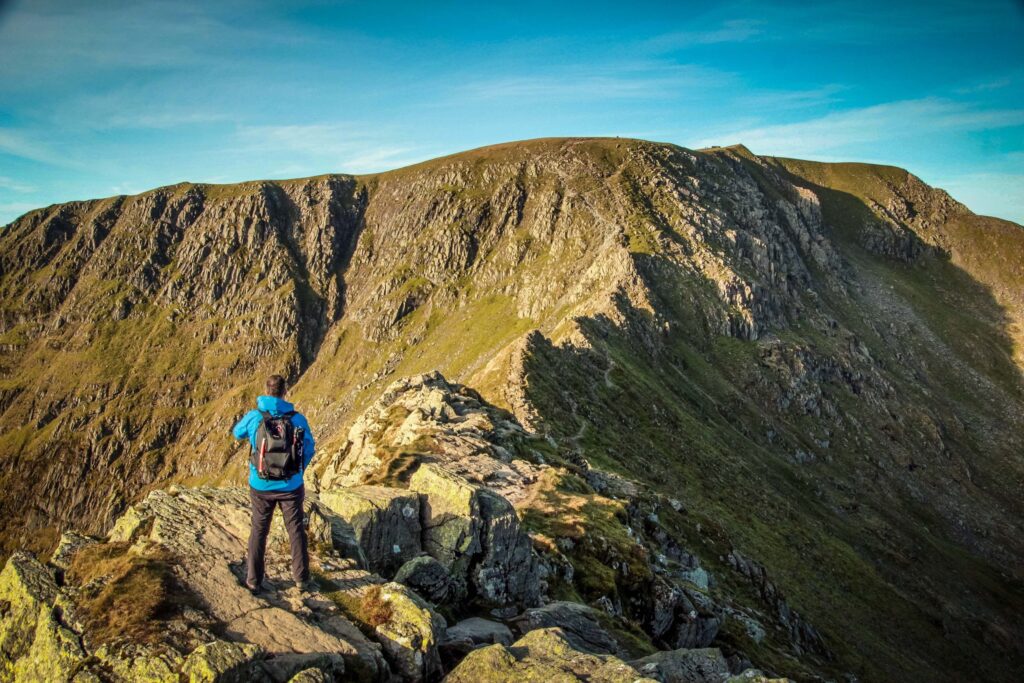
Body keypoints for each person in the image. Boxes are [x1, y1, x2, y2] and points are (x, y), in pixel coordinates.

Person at [232, 374, 316, 593]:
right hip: (291, 486)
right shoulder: (297, 419)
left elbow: (237, 433)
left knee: (259, 530)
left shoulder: (255, 417)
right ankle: (301, 578)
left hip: (261, 485)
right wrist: (297, 471)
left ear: (266, 390)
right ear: (285, 391)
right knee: (296, 529)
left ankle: (253, 580)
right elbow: (309, 448)